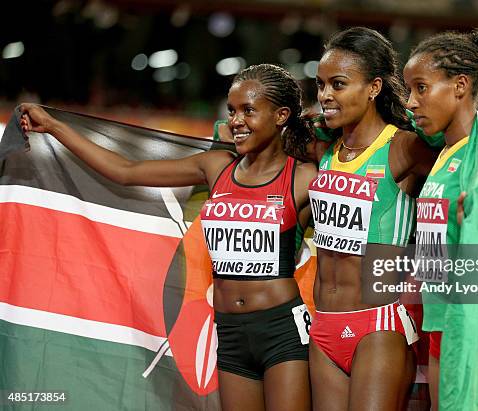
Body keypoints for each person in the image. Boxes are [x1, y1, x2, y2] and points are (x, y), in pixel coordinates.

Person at [20, 63, 318, 411]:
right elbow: (125, 171)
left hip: (282, 330)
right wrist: (54, 127)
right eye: (232, 110)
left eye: (248, 110)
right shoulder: (216, 167)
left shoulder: (305, 179)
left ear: (281, 115)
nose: (236, 121)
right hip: (231, 332)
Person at [307, 27, 437, 411]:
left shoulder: (403, 147)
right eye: (320, 84)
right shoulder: (325, 150)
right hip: (324, 327)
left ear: (374, 87)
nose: (325, 95)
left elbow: (458, 174)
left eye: (338, 84)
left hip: (378, 325)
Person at [402, 29, 478, 410]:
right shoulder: (444, 156)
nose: (412, 102)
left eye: (421, 88)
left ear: (460, 86)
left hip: (468, 325)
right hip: (435, 317)